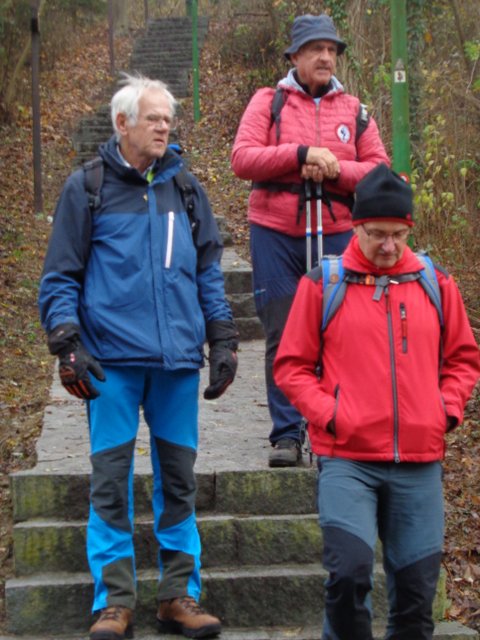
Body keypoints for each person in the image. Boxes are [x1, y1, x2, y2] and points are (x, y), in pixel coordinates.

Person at [38, 74, 238, 640]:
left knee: (179, 481)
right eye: (153, 117)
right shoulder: (87, 188)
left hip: (176, 364)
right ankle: (114, 602)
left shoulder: (187, 189)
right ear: (122, 123)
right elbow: (60, 276)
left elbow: (208, 271)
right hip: (111, 366)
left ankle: (178, 595)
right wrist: (67, 343)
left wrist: (223, 338)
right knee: (110, 483)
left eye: (168, 118)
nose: (163, 126)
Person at [274, 163, 480, 640]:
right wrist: (330, 415)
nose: (389, 246)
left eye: (398, 235)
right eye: (377, 234)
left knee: (416, 597)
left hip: (419, 461)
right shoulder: (323, 284)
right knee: (347, 577)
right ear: (356, 227)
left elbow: (463, 359)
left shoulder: (436, 283)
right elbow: (291, 366)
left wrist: (444, 410)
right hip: (348, 458)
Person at [231, 13, 389, 467]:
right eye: (316, 49)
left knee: (344, 331)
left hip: (338, 234)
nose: (325, 57)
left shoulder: (355, 110)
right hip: (275, 234)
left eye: (331, 50)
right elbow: (243, 158)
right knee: (282, 332)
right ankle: (287, 433)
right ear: (295, 56)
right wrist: (300, 154)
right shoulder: (268, 102)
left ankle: (338, 426)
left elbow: (379, 171)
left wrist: (335, 168)